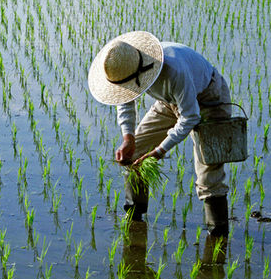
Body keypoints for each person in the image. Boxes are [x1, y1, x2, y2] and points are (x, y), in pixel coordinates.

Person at [88, 31, 232, 236]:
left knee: (208, 172)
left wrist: (159, 151)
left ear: (140, 72)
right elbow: (125, 101)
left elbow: (190, 117)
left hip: (210, 99)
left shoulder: (174, 70)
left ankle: (218, 235)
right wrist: (128, 137)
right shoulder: (125, 69)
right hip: (169, 101)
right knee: (135, 154)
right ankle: (134, 217)